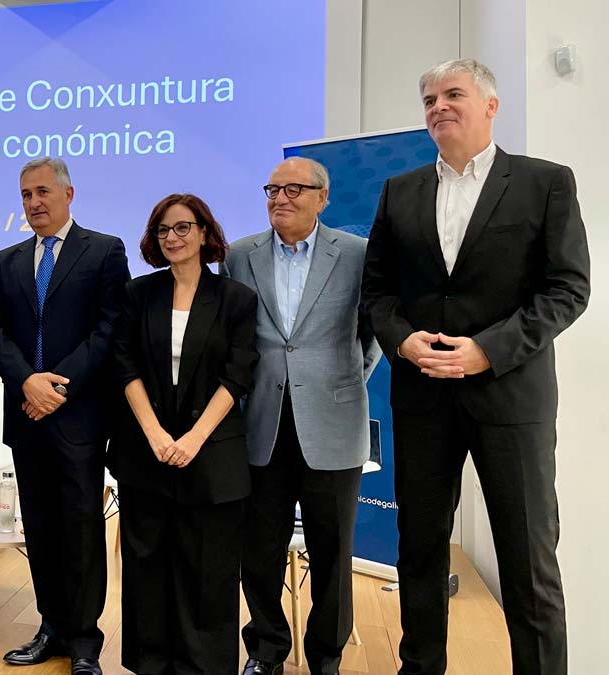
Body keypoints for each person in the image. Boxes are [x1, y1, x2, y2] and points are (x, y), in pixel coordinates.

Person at [361, 58, 590, 674]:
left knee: (528, 558)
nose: (438, 106)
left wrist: (488, 349)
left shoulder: (545, 182)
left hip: (512, 399)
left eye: (453, 94)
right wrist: (404, 342)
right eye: (429, 98)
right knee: (421, 550)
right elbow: (377, 292)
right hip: (422, 398)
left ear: (491, 105)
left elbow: (568, 288)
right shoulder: (399, 190)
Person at [221, 158, 380, 675]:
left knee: (332, 552)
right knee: (259, 550)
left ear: (322, 197)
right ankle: (266, 650)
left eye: (294, 189)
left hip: (332, 423)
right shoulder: (240, 255)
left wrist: (342, 381)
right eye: (272, 189)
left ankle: (326, 657)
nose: (280, 198)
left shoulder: (357, 255)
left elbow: (371, 335)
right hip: (261, 424)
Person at [0, 157, 130, 675]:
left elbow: (111, 327)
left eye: (42, 192)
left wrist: (56, 385)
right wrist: (27, 381)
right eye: (25, 195)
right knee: (40, 527)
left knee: (83, 527)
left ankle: (85, 640)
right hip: (27, 413)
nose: (34, 203)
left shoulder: (105, 250)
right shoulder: (7, 259)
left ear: (69, 194)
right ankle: (51, 626)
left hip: (80, 415)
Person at [109, 193, 257, 674]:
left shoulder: (236, 298)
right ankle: (150, 663)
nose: (173, 238)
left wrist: (193, 438)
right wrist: (153, 432)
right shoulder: (138, 293)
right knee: (147, 563)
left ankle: (203, 666)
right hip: (145, 451)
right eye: (163, 231)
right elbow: (124, 364)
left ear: (204, 232)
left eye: (182, 228)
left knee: (207, 571)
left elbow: (238, 375)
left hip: (211, 453)